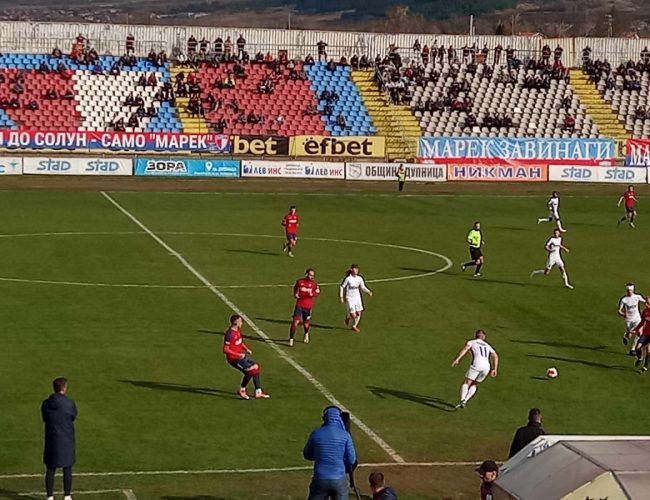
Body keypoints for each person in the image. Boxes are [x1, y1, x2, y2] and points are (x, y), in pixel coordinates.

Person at [303, 406, 356, 500]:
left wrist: (320, 455)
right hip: (339, 479)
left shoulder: (316, 433)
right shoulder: (345, 435)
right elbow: (352, 459)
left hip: (320, 478)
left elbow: (307, 454)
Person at [42, 377, 77, 500]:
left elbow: (45, 417)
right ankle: (67, 496)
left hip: (52, 438)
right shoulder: (69, 403)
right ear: (64, 388)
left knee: (50, 468)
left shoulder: (46, 404)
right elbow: (73, 416)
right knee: (67, 468)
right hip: (66, 438)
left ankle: (49, 496)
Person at [223, 315, 270, 399]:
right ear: (236, 322)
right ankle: (242, 390)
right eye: (240, 321)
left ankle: (258, 391)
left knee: (256, 367)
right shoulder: (229, 334)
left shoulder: (237, 331)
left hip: (241, 356)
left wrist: (246, 349)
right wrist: (238, 355)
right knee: (250, 370)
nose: (242, 323)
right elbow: (225, 349)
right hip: (234, 359)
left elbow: (239, 342)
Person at [452, 329, 499, 409]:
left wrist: (458, 359)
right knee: (475, 384)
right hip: (486, 367)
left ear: (475, 336)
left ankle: (462, 399)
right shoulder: (487, 345)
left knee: (467, 382)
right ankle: (466, 400)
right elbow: (495, 356)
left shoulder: (471, 342)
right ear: (483, 337)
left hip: (477, 364)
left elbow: (465, 349)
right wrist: (494, 369)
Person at [290, 269, 321, 347]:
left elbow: (317, 293)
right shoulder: (300, 281)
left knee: (306, 323)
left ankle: (306, 333)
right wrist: (295, 294)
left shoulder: (314, 284)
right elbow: (295, 287)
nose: (311, 277)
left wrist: (312, 294)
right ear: (306, 274)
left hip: (308, 306)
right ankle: (291, 339)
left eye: (312, 275)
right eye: (310, 275)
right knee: (295, 322)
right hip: (299, 304)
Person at [339, 264, 373, 333]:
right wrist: (341, 297)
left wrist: (368, 291)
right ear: (351, 269)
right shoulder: (348, 279)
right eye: (355, 269)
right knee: (353, 315)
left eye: (357, 269)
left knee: (359, 313)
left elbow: (362, 287)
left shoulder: (359, 278)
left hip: (357, 298)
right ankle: (349, 316)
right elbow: (342, 287)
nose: (356, 270)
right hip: (350, 298)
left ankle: (354, 326)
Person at [618, 283, 645, 355]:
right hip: (628, 320)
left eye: (631, 290)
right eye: (628, 290)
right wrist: (623, 314)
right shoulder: (624, 300)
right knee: (629, 335)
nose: (629, 291)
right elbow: (619, 311)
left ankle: (633, 349)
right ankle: (625, 335)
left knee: (639, 333)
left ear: (633, 290)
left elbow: (645, 302)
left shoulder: (637, 297)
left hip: (637, 318)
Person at [632, 297, 650, 373]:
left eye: (648, 303)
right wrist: (635, 329)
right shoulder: (645, 312)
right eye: (645, 302)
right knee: (637, 348)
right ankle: (640, 358)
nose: (646, 304)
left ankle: (645, 367)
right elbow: (642, 322)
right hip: (645, 333)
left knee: (648, 350)